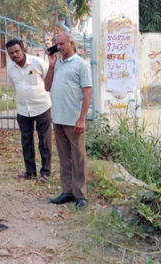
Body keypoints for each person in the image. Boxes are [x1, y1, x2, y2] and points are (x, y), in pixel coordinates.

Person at [44, 32, 92, 208]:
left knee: (78, 157)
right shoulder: (57, 64)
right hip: (58, 118)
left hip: (74, 119)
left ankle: (81, 195)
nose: (59, 47)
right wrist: (50, 66)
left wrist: (82, 119)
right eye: (57, 44)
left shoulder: (81, 65)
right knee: (64, 157)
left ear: (71, 43)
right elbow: (47, 86)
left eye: (62, 43)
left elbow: (87, 94)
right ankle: (67, 191)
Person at [5, 39, 52, 182]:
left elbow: (48, 80)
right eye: (11, 53)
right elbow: (15, 85)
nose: (14, 55)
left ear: (23, 50)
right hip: (23, 109)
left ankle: (45, 172)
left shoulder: (37, 63)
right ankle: (30, 172)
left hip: (41, 107)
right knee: (26, 141)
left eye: (17, 51)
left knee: (44, 141)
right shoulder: (10, 69)